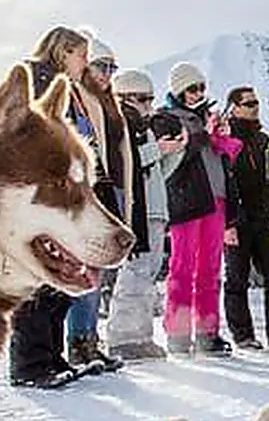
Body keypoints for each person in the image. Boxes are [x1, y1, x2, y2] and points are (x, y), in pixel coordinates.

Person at [9, 26, 100, 386]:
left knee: (61, 277)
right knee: (39, 277)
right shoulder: (35, 80)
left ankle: (51, 355)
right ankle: (29, 364)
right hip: (42, 194)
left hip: (65, 194)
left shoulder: (71, 92)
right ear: (63, 52)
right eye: (81, 54)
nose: (86, 63)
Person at [161, 62, 240, 357]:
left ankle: (208, 332)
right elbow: (175, 158)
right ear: (179, 89)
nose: (198, 94)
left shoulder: (209, 116)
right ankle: (178, 334)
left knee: (211, 269)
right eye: (191, 88)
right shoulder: (167, 117)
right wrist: (204, 135)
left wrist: (221, 135)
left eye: (201, 88)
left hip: (215, 200)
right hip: (186, 199)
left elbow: (223, 159)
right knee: (182, 268)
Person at [106, 68, 185, 361]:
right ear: (124, 98)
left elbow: (158, 173)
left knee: (148, 275)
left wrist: (174, 151)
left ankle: (140, 336)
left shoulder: (145, 129)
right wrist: (157, 149)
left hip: (155, 208)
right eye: (143, 99)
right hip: (136, 210)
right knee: (135, 273)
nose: (149, 105)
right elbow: (126, 166)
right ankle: (122, 337)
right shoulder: (119, 128)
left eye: (151, 99)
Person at [65, 37, 129, 372]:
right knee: (85, 265)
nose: (106, 74)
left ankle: (90, 338)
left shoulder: (107, 105)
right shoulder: (78, 99)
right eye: (101, 66)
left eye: (111, 68)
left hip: (110, 190)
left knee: (98, 269)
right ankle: (77, 340)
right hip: (92, 190)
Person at [223, 85, 269, 349]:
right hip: (237, 221)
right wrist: (227, 221)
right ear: (234, 107)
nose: (255, 107)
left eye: (256, 103)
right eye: (248, 103)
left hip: (265, 220)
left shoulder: (264, 140)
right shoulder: (227, 140)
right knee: (236, 280)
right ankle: (243, 336)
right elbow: (222, 183)